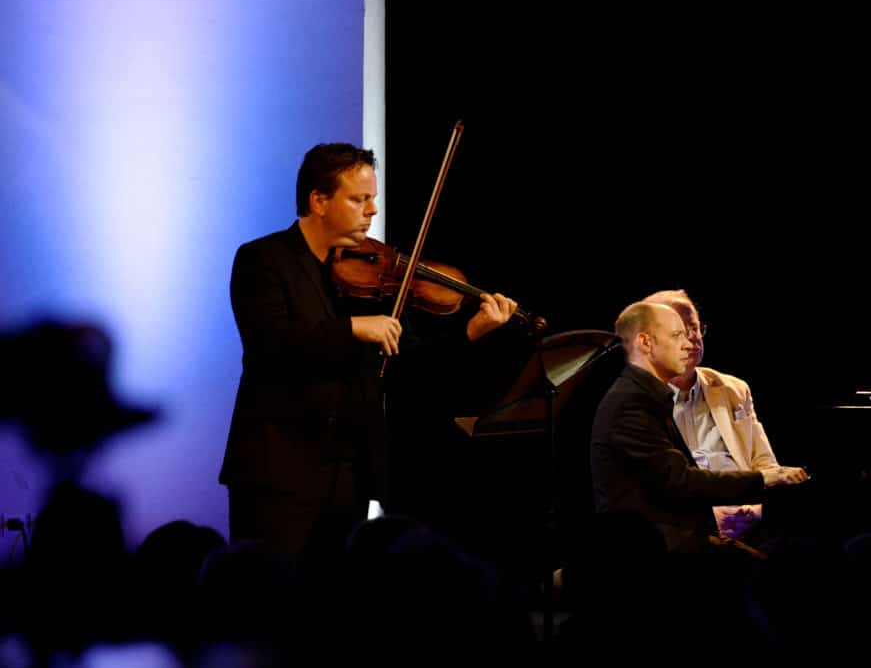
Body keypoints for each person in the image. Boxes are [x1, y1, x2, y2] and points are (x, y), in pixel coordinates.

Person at [218, 143, 518, 561]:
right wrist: (353, 328)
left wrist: (470, 331)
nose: (372, 210)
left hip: (350, 475)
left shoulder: (373, 274)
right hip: (278, 473)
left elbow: (408, 365)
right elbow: (272, 346)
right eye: (360, 199)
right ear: (319, 201)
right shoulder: (262, 259)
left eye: (372, 198)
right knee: (271, 606)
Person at [589, 300, 807, 554]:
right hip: (656, 549)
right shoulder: (632, 402)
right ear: (645, 343)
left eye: (693, 330)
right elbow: (680, 481)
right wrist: (763, 478)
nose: (688, 342)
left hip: (689, 533)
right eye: (677, 334)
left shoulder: (645, 394)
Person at [643, 289, 802, 540]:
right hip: (683, 529)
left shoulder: (733, 389)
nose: (692, 338)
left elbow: (764, 463)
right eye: (679, 331)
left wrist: (777, 481)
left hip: (747, 519)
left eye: (695, 328)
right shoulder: (637, 400)